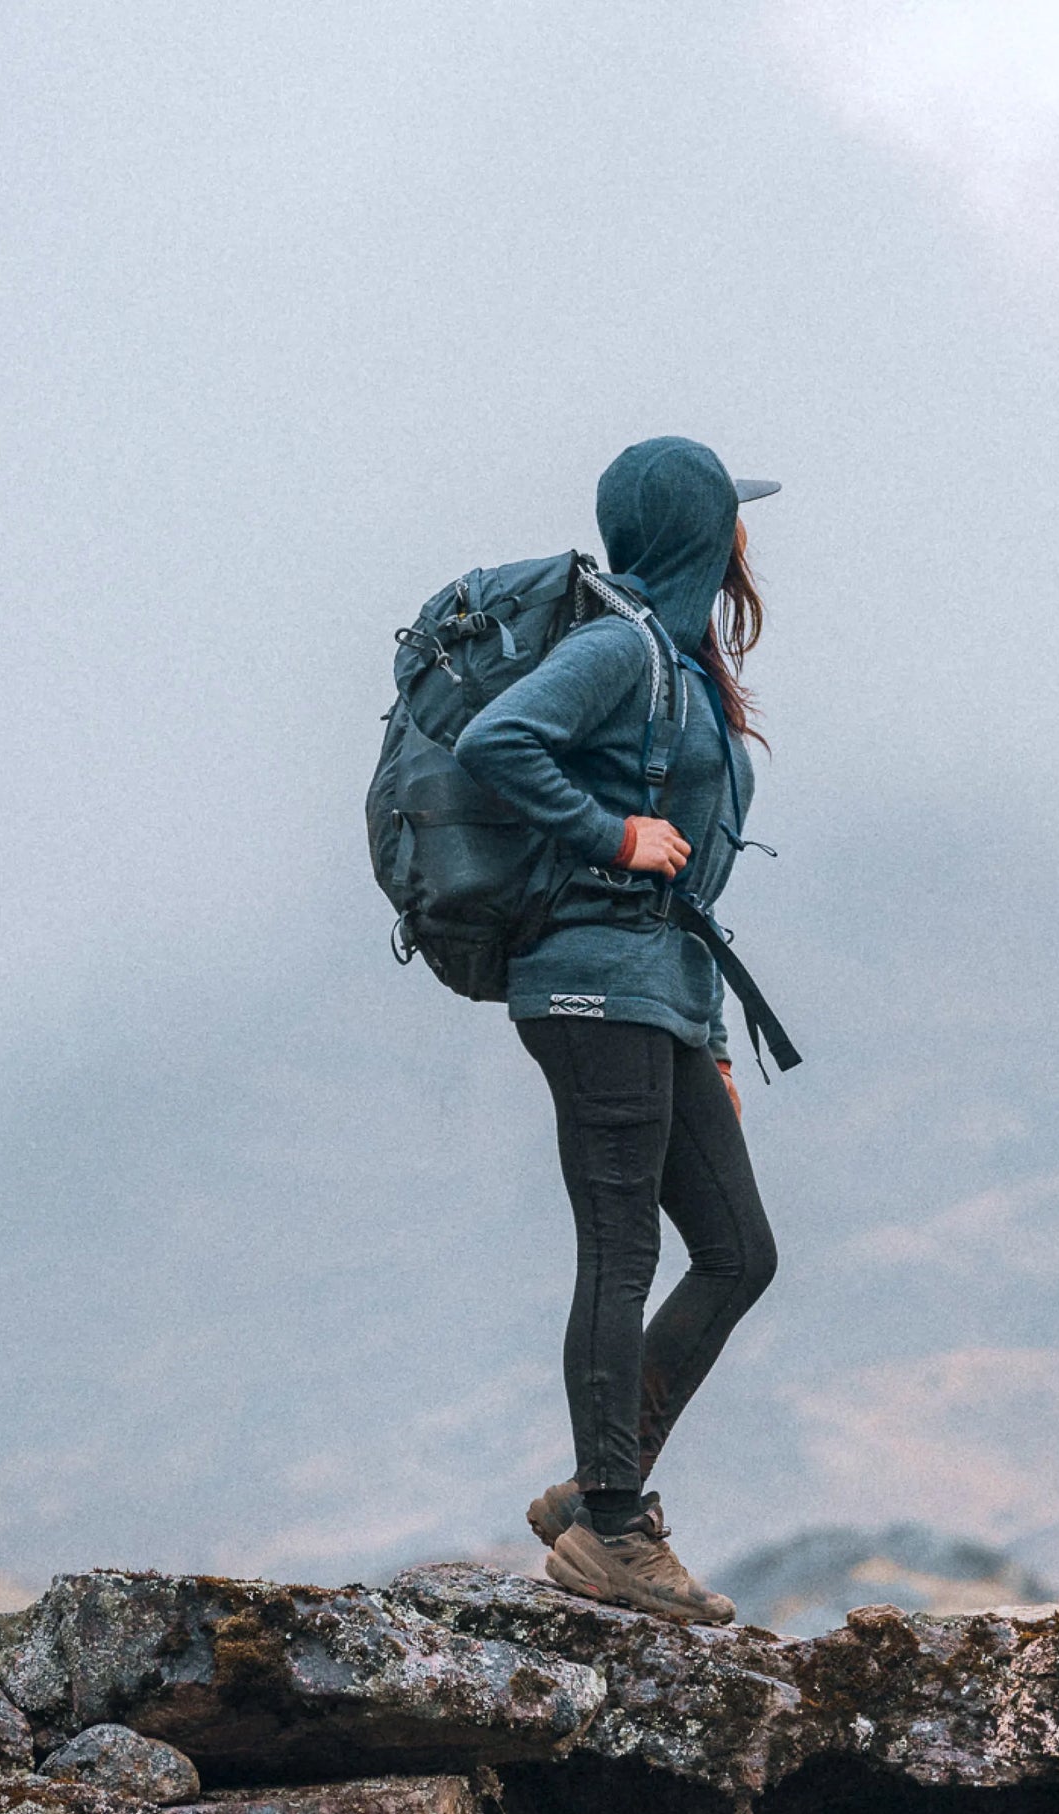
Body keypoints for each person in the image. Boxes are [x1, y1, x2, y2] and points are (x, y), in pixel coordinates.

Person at [454, 436, 781, 1624]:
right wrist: (611, 834)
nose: (750, 537)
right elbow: (499, 741)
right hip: (589, 989)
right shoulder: (618, 648)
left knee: (741, 1250)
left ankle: (602, 1482)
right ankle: (609, 1529)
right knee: (622, 1246)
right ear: (700, 531)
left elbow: (690, 890)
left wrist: (710, 1039)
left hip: (658, 993)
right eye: (734, 517)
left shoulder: (682, 668)